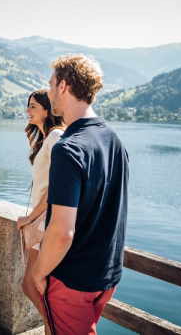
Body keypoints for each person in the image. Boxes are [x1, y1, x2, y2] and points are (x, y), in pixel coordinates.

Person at [32, 54, 129, 335]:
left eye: (51, 85)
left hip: (72, 280)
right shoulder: (113, 140)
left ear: (63, 86)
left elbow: (62, 232)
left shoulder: (68, 148)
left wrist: (39, 272)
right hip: (107, 275)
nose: (49, 93)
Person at [16, 90, 64, 334]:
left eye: (33, 106)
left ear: (47, 110)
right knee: (32, 286)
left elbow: (57, 185)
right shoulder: (47, 138)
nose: (28, 110)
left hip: (46, 224)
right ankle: (53, 326)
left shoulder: (56, 136)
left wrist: (30, 217)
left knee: (32, 285)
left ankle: (55, 326)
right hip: (44, 223)